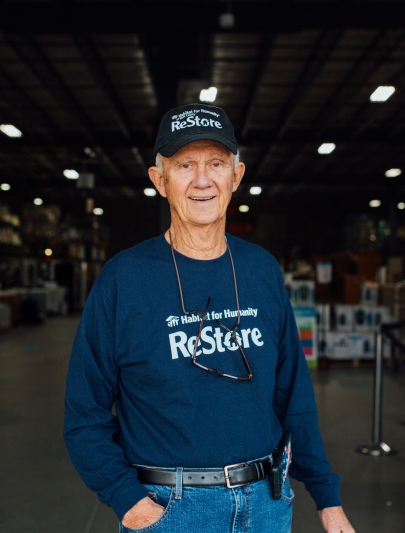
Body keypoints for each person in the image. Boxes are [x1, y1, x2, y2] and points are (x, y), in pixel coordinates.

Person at [64, 103, 355, 532]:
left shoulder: (261, 269)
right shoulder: (124, 279)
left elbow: (295, 395)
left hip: (266, 506)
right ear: (159, 180)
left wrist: (328, 501)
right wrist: (133, 504)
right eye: (185, 165)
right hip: (170, 509)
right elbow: (83, 413)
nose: (203, 179)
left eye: (216, 163)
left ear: (236, 176)